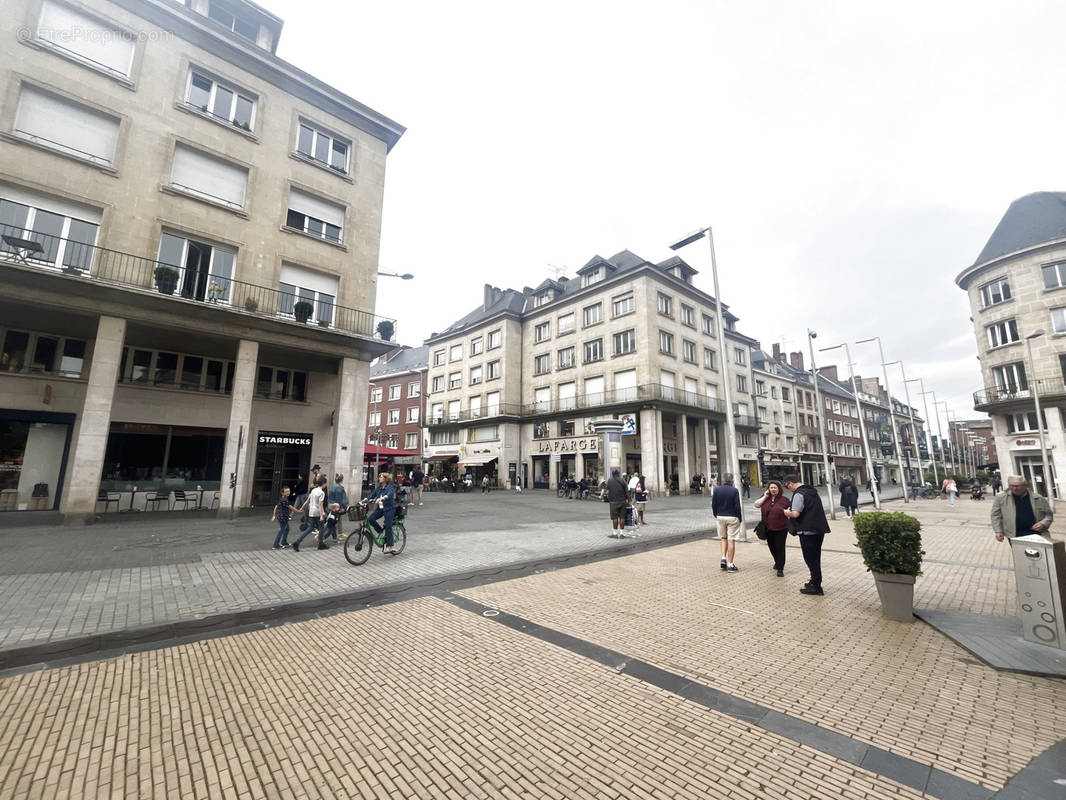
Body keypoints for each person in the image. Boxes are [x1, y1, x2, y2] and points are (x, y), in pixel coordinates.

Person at [783, 473, 831, 595]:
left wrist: (786, 512)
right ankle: (814, 581)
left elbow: (795, 514)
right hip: (818, 529)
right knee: (816, 557)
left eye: (788, 487)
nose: (789, 489)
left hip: (807, 530)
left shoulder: (799, 494)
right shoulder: (812, 491)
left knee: (810, 558)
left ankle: (816, 586)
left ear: (791, 484)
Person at [991, 476, 1053, 542]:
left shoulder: (1038, 498)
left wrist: (1043, 523)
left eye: (1017, 486)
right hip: (1014, 535)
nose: (1014, 488)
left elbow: (1049, 515)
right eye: (1011, 486)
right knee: (1019, 552)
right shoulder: (1001, 498)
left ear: (1025, 485)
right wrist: (998, 531)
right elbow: (995, 515)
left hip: (1037, 534)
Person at [754, 479, 789, 576]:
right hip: (768, 528)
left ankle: (780, 568)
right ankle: (777, 561)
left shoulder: (784, 500)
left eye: (775, 488)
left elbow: (790, 510)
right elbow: (756, 504)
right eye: (771, 488)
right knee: (772, 547)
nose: (773, 489)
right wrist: (765, 496)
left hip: (781, 528)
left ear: (779, 489)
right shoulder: (765, 498)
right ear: (768, 489)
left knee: (780, 547)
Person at [712, 474, 742, 572]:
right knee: (731, 540)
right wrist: (739, 518)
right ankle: (730, 564)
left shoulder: (717, 490)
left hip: (720, 516)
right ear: (732, 480)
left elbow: (714, 504)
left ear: (722, 480)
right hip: (732, 516)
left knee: (723, 538)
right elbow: (737, 506)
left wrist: (716, 514)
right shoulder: (734, 490)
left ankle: (723, 558)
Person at [292, 475, 329, 552]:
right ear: (323, 484)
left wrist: (302, 507)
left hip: (311, 511)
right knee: (321, 528)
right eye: (325, 484)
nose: (326, 485)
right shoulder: (322, 493)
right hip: (318, 512)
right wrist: (322, 515)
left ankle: (297, 542)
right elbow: (320, 504)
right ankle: (320, 544)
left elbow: (307, 501)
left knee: (310, 528)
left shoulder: (313, 490)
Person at [365, 472, 399, 554]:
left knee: (388, 526)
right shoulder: (379, 488)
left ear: (385, 479)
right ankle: (380, 531)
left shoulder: (390, 487)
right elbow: (372, 495)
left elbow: (389, 495)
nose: (379, 478)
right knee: (370, 519)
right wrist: (364, 500)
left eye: (381, 477)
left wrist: (382, 498)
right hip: (381, 509)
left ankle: (389, 545)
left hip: (389, 509)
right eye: (379, 476)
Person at [605, 468, 630, 536]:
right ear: (618, 474)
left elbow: (607, 490)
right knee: (622, 517)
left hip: (613, 502)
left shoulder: (609, 481)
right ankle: (622, 533)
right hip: (622, 501)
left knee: (615, 518)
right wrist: (629, 501)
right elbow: (627, 492)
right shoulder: (623, 481)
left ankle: (615, 533)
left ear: (612, 474)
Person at [327, 473, 348, 542]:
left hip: (331, 504)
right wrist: (341, 507)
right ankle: (339, 534)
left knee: (334, 520)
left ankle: (335, 536)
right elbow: (340, 499)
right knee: (337, 520)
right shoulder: (340, 488)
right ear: (342, 480)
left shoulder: (333, 486)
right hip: (336, 506)